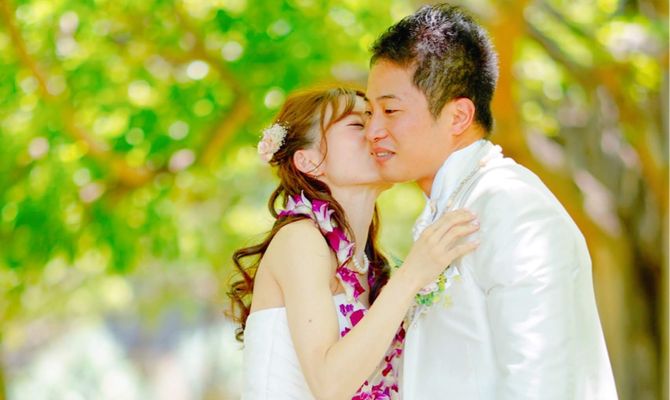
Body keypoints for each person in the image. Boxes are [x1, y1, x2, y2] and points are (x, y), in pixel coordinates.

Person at [364, 4, 618, 399]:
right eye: (369, 112)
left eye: (390, 110)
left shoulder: (511, 206)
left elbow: (541, 381)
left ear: (458, 117)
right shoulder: (451, 206)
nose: (373, 130)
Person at [228, 86, 479, 399]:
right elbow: (329, 385)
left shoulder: (369, 265)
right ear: (309, 162)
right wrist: (412, 276)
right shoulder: (300, 240)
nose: (376, 132)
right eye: (358, 124)